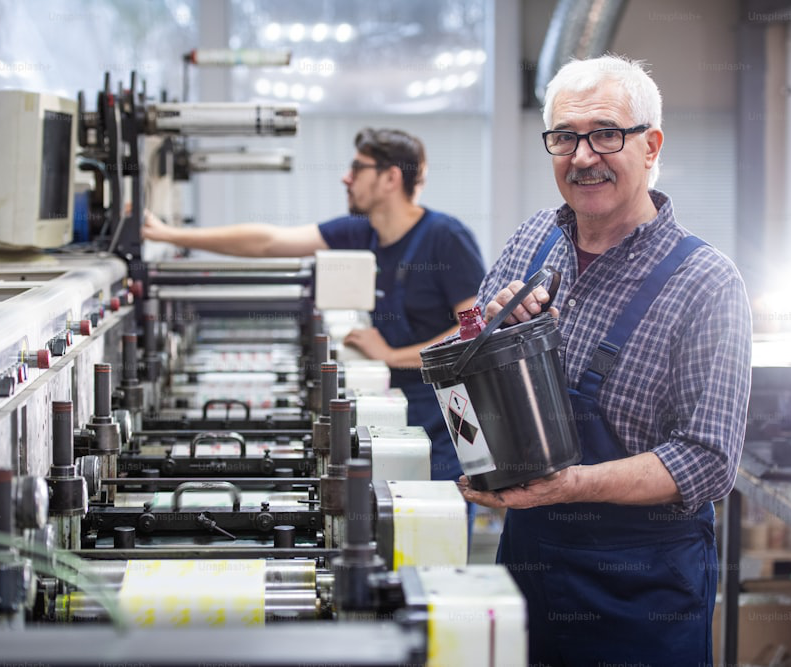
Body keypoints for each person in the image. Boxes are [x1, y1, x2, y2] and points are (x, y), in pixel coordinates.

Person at [458, 56, 752, 665]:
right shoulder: (533, 239)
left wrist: (570, 486)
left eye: (606, 134)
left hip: (641, 592)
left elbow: (708, 461)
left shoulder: (706, 282)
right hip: (529, 564)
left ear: (651, 146)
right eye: (565, 137)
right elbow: (465, 350)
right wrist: (485, 329)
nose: (583, 156)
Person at [142, 128, 486, 482]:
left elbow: (474, 334)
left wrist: (391, 355)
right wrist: (168, 234)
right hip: (397, 412)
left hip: (450, 421)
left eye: (357, 167)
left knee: (439, 521)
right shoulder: (363, 231)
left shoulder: (445, 237)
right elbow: (270, 242)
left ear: (390, 178)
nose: (346, 177)